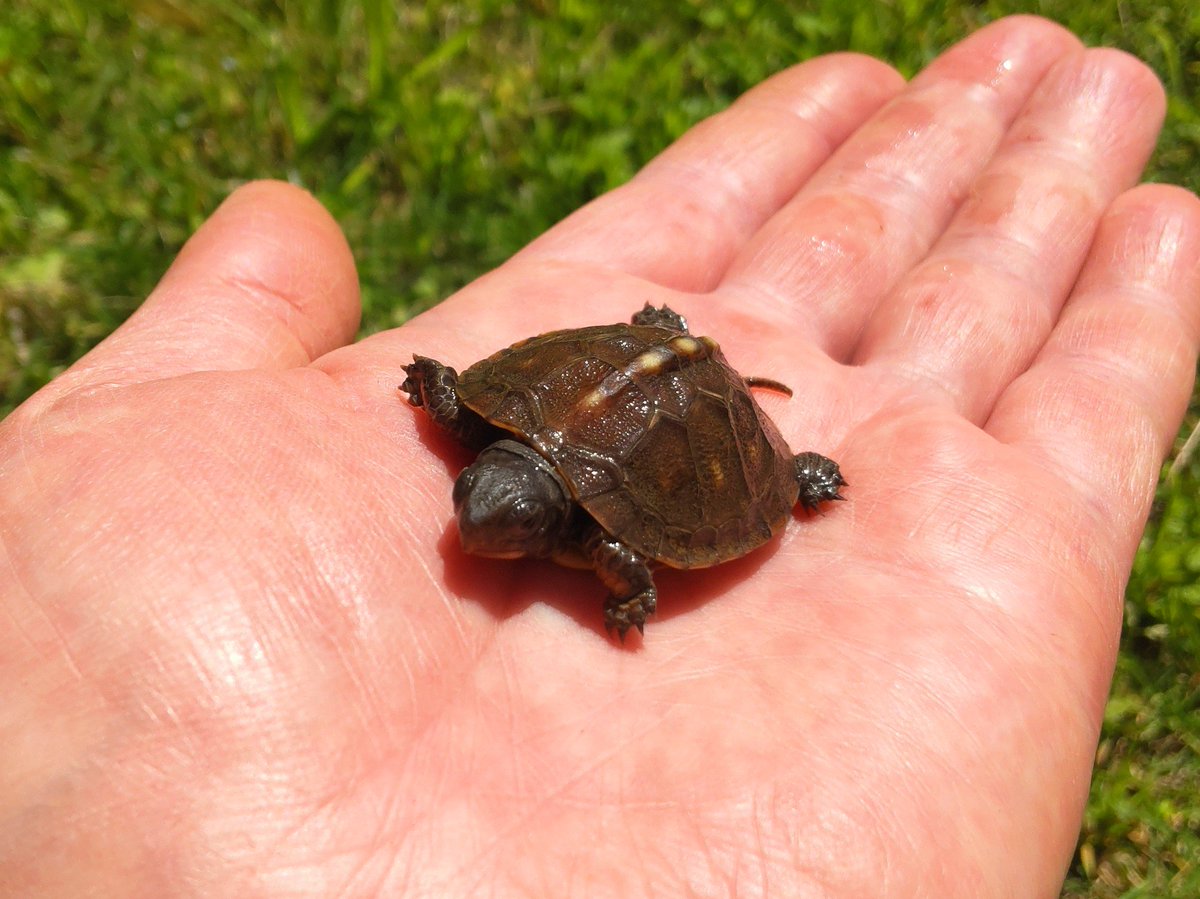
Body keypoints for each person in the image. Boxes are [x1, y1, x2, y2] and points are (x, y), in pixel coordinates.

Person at [1, 14, 1196, 897]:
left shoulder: (604, 534)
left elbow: (624, 542)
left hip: (686, 395)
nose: (476, 522)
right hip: (600, 376)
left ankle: (790, 466)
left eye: (500, 517)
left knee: (773, 467)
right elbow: (484, 428)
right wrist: (446, 397)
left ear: (545, 527)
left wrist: (659, 560)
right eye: (482, 502)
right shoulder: (500, 460)